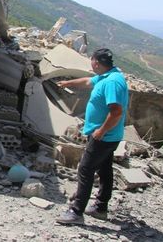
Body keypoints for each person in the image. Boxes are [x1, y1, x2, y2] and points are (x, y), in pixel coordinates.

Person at [55, 48, 129, 225]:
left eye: (91, 61)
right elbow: (88, 81)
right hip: (107, 136)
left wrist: (101, 131)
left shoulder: (112, 83)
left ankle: (76, 212)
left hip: (104, 137)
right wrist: (68, 83)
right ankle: (100, 208)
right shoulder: (107, 76)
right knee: (104, 169)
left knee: (85, 169)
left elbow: (116, 111)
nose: (91, 64)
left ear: (96, 62)